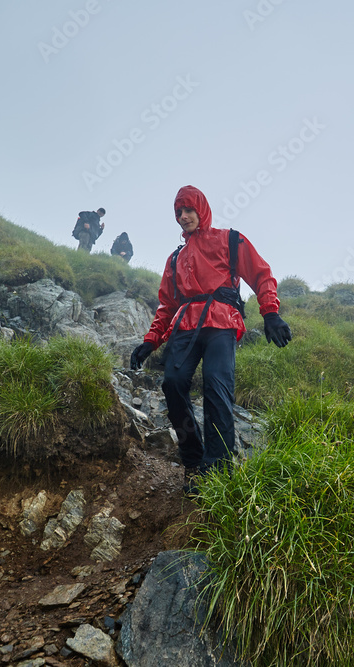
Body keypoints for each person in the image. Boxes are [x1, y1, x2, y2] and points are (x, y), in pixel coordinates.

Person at [130, 185, 292, 494]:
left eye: (188, 210)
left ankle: (217, 468)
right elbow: (167, 305)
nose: (183, 216)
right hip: (185, 326)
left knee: (216, 384)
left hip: (221, 322)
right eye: (178, 212)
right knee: (172, 383)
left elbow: (261, 274)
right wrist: (150, 342)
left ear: (201, 210)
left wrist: (270, 312)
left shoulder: (230, 240)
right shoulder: (175, 258)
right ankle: (193, 462)